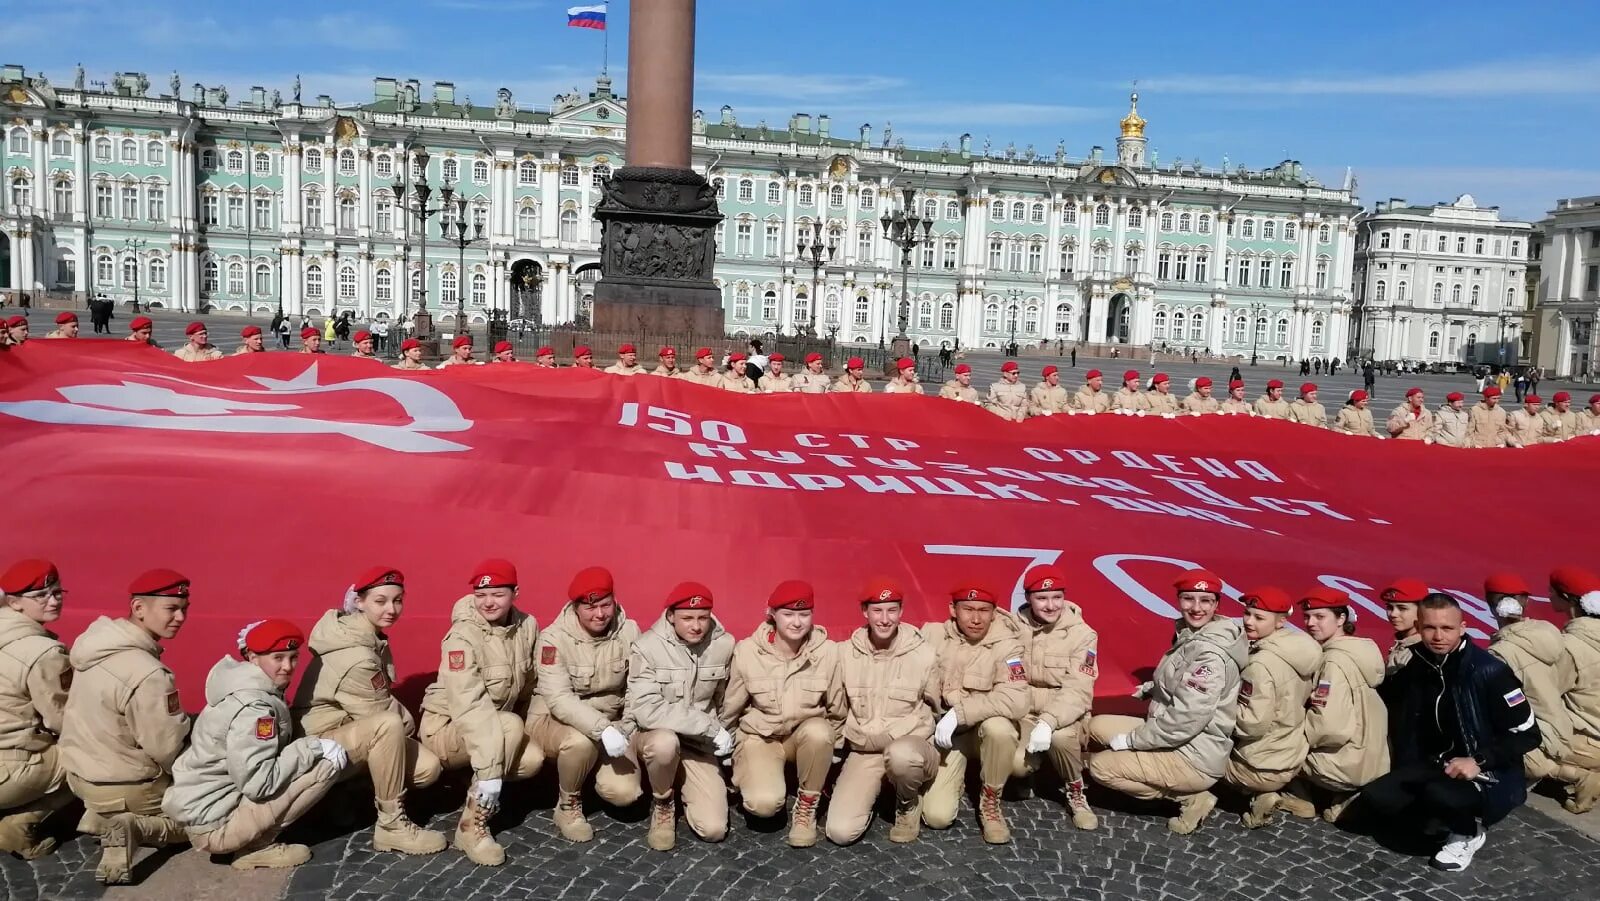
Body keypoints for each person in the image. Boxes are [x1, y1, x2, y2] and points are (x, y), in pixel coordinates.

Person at [1367, 593, 1540, 872]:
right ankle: (1435, 817)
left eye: (1447, 628)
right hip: (1434, 763)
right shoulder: (1419, 663)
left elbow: (1529, 734)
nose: (1438, 636)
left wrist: (1478, 761)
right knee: (1377, 800)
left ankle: (1469, 832)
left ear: (1463, 628)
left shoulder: (1490, 672)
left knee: (1441, 796)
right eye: (1429, 627)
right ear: (1419, 627)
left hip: (1486, 774)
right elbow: (1389, 698)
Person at [162, 619, 346, 871]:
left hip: (206, 813)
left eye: (293, 657)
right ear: (252, 657)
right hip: (218, 826)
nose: (287, 666)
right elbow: (259, 783)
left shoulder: (245, 687)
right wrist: (311, 747)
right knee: (326, 764)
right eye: (278, 658)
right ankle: (255, 847)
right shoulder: (255, 709)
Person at [291, 567, 446, 856]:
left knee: (425, 766)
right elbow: (381, 711)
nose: (391, 609)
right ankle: (391, 826)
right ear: (359, 602)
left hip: (343, 730)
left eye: (397, 600)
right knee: (390, 727)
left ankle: (341, 794)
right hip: (316, 745)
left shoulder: (361, 634)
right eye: (381, 601)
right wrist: (411, 720)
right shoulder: (357, 655)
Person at [1086, 569, 1247, 835]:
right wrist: (1151, 688)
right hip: (1173, 734)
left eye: (1205, 600)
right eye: (1188, 599)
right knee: (1098, 725)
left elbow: (1186, 720)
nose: (1196, 608)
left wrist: (1132, 741)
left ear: (1217, 604)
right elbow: (1179, 679)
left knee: (1101, 767)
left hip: (1193, 754)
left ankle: (1189, 797)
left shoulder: (1211, 656)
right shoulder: (1192, 634)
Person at [59, 569, 193, 884]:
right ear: (138, 609)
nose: (180, 617)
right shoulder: (148, 674)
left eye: (184, 608)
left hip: (80, 777)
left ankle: (101, 817)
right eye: (171, 609)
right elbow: (166, 746)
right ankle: (136, 826)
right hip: (127, 784)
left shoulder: (92, 646)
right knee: (207, 820)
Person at [418, 561, 543, 864]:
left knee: (532, 759)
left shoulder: (527, 626)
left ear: (516, 593)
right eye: (481, 594)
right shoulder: (461, 637)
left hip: (494, 727)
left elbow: (532, 686)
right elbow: (469, 705)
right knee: (510, 727)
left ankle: (471, 779)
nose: (488, 602)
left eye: (497, 594)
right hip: (447, 727)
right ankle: (471, 826)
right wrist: (489, 774)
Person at [720, 580, 844, 848]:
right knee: (763, 805)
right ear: (771, 613)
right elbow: (732, 706)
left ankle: (807, 808)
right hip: (761, 736)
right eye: (788, 614)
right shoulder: (747, 652)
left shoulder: (828, 652)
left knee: (820, 731)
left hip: (803, 738)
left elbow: (837, 709)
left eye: (804, 614)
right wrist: (724, 750)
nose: (797, 622)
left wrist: (833, 750)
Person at [823, 579, 941, 846]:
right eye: (877, 611)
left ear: (901, 612)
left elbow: (933, 709)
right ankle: (877, 789)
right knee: (840, 832)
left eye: (892, 610)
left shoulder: (924, 655)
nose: (885, 619)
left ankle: (907, 803)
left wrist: (910, 740)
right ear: (865, 613)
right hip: (864, 750)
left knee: (902, 755)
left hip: (908, 747)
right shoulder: (845, 654)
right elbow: (838, 709)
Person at [530, 567, 643, 841]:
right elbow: (559, 699)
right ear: (576, 608)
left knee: (625, 793)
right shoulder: (553, 639)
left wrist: (625, 726)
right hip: (555, 720)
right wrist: (602, 729)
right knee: (580, 742)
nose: (600, 614)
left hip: (612, 721)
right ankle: (567, 805)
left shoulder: (629, 630)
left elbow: (637, 685)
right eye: (591, 608)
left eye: (606, 605)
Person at [625, 582, 735, 852]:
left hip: (698, 745)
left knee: (713, 829)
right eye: (687, 618)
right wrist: (709, 726)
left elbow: (726, 699)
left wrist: (727, 739)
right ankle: (663, 803)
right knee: (665, 743)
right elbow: (647, 708)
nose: (696, 626)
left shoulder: (724, 644)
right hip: (654, 735)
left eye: (702, 618)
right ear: (671, 616)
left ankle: (689, 783)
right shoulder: (647, 646)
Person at [920, 584, 1029, 843]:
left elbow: (1017, 699)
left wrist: (961, 712)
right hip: (949, 738)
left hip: (983, 734)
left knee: (1000, 729)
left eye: (984, 610)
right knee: (937, 817)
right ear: (953, 610)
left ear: (994, 613)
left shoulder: (1008, 646)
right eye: (968, 609)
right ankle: (955, 781)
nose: (976, 618)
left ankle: (991, 801)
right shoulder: (932, 636)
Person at [1280, 587, 1389, 824]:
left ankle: (1300, 799)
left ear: (1341, 619)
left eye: (1320, 617)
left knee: (1274, 750)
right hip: (1375, 760)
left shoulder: (1333, 661)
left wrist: (1292, 735)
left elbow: (1329, 727)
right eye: (1307, 616)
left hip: (1348, 763)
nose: (1310, 623)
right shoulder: (1360, 651)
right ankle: (1340, 796)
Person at [1220, 586, 1319, 829]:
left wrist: (1219, 710)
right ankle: (1290, 790)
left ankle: (1261, 795)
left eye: (1259, 617)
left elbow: (1251, 724)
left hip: (1258, 762)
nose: (1249, 622)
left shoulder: (1261, 664)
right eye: (1247, 613)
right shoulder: (1303, 649)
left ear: (1280, 621)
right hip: (1291, 753)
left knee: (1197, 762)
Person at [1009, 565, 1100, 830]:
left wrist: (1048, 722)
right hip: (1025, 711)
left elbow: (1079, 688)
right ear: (1028, 598)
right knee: (1016, 765)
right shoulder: (1013, 627)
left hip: (1064, 712)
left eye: (1057, 597)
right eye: (1042, 598)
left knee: (1060, 738)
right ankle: (1027, 775)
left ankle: (1075, 791)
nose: (1051, 605)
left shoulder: (1082, 634)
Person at [0, 560, 73, 860]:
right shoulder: (43, 653)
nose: (53, 600)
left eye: (57, 592)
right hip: (9, 773)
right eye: (41, 596)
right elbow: (64, 720)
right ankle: (19, 825)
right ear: (14, 602)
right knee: (98, 754)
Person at [1484, 573, 1578, 799]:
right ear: (1525, 602)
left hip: (1534, 744)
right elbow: (1565, 682)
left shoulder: (1500, 653)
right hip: (1563, 731)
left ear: (1491, 604)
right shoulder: (1551, 634)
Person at [1547, 566, 1600, 813]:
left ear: (1565, 598)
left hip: (1589, 741)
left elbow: (1548, 693)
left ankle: (1581, 776)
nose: (1547, 595)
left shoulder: (1571, 646)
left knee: (1518, 744)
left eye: (1551, 591)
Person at [1381, 578, 1428, 679]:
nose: (1393, 614)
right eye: (1389, 607)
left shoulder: (1423, 650)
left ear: (1422, 610)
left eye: (1402, 608)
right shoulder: (1404, 643)